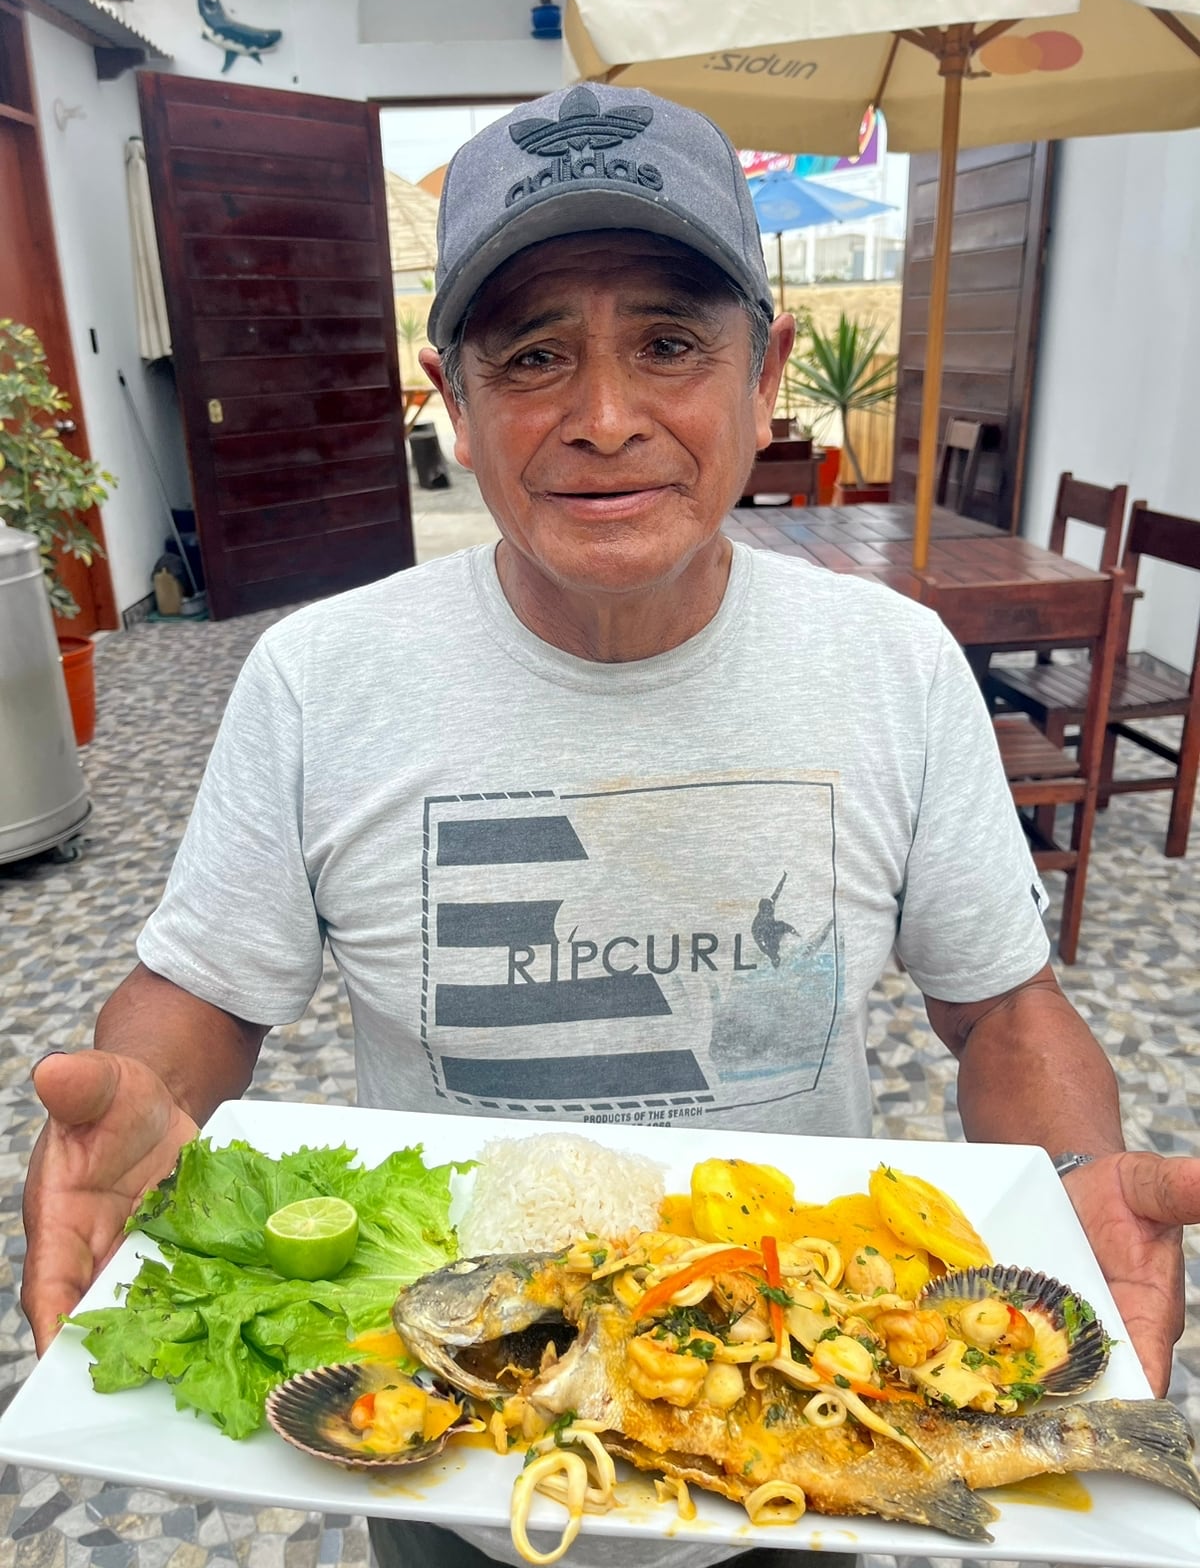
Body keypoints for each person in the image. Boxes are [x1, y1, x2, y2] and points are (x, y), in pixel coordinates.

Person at [20, 83, 1200, 1568]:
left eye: (668, 342)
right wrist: (135, 1099)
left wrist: (1079, 1188)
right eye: (531, 356)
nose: (603, 418)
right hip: (455, 1454)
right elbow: (205, 989)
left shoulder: (889, 666)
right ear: (450, 398)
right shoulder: (322, 679)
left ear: (765, 375)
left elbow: (1006, 1008)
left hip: (808, 1449)